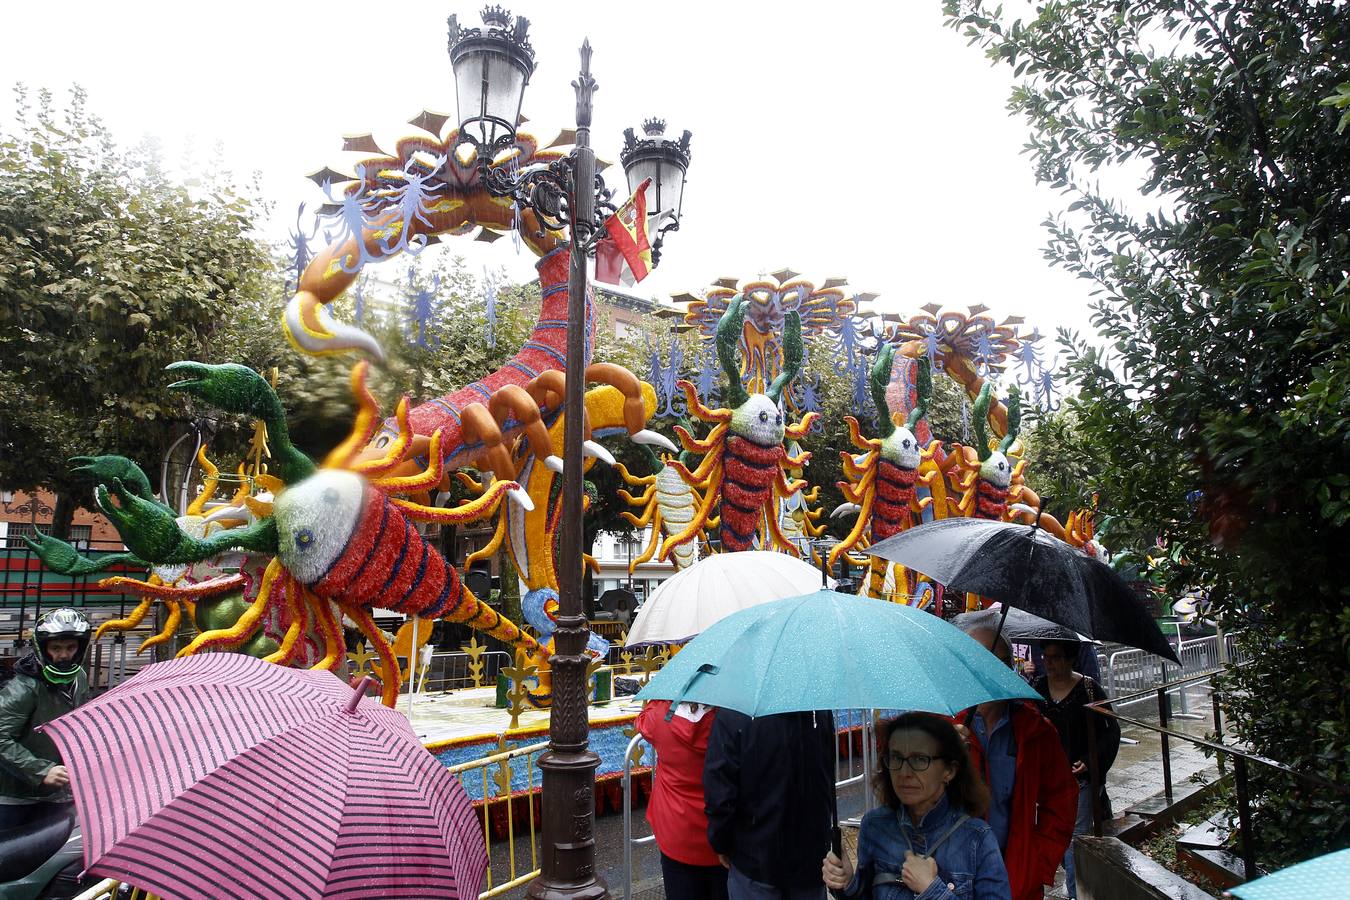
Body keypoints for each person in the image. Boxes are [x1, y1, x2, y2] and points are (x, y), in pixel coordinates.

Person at [821, 713, 1010, 899]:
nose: (904, 772)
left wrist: (932, 890)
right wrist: (848, 884)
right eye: (896, 758)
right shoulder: (874, 826)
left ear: (949, 771)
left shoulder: (977, 839)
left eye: (919, 759)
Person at [955, 623, 1077, 900]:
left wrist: (1038, 862)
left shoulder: (1035, 730)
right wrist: (940, 754)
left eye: (999, 661)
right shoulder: (940, 727)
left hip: (1015, 880)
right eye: (980, 658)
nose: (990, 668)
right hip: (949, 882)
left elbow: (1061, 799)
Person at [704, 708, 836, 900]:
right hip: (810, 855)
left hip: (755, 859)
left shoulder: (733, 712)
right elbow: (826, 774)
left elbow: (719, 795)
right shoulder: (818, 708)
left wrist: (720, 842)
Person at [1033, 639, 1121, 899]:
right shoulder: (1037, 687)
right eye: (1046, 657)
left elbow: (1111, 731)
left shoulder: (1088, 689)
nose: (1049, 663)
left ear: (1071, 659)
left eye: (1056, 657)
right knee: (1053, 837)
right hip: (1045, 781)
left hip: (1078, 781)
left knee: (1075, 840)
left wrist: (1090, 760)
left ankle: (1076, 894)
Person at [0, 608, 92, 830]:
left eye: (71, 647)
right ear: (43, 648)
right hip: (16, 799)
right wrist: (41, 771)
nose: (63, 655)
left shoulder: (79, 678)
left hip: (60, 794)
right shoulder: (23, 687)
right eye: (56, 648)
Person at [638, 699, 727, 900]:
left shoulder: (659, 715)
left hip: (675, 832)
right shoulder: (731, 719)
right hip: (722, 832)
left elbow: (643, 719)